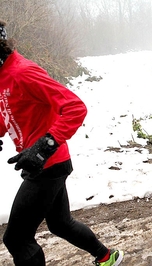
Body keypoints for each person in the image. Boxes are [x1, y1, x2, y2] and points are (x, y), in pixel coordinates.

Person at [0, 20, 123, 266]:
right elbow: (9, 113)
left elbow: (75, 107)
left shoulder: (23, 72)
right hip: (39, 164)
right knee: (60, 224)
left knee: (17, 239)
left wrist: (45, 145)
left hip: (49, 164)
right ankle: (107, 257)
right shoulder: (2, 75)